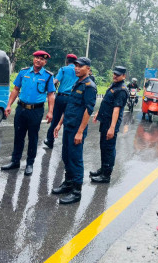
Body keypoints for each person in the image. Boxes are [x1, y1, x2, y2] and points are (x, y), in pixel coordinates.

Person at [1, 51, 55, 176]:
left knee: (33, 137)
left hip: (36, 111)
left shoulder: (48, 76)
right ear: (33, 58)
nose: (38, 60)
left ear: (45, 62)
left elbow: (51, 95)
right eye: (36, 57)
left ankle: (30, 163)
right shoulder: (23, 72)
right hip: (21, 109)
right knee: (18, 135)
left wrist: (51, 111)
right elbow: (15, 89)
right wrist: (9, 105)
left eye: (42, 59)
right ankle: (15, 161)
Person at [52, 57, 97, 204]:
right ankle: (68, 183)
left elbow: (88, 110)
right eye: (76, 66)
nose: (77, 68)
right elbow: (70, 105)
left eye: (80, 66)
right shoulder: (76, 83)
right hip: (68, 125)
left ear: (88, 69)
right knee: (66, 156)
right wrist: (59, 123)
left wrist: (80, 132)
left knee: (75, 159)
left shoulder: (89, 86)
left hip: (77, 129)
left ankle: (77, 192)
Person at [89, 66, 129, 183]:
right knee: (103, 146)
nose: (115, 76)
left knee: (109, 148)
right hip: (105, 120)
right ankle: (103, 169)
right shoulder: (114, 85)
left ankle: (106, 175)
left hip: (111, 124)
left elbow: (116, 110)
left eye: (118, 75)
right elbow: (107, 102)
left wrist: (112, 128)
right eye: (114, 74)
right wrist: (98, 113)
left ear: (124, 76)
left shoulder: (121, 90)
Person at [44, 53, 78, 149]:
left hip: (61, 98)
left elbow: (56, 81)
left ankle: (50, 140)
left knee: (55, 119)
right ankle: (67, 144)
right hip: (72, 99)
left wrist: (48, 88)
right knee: (68, 121)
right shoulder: (77, 70)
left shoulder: (63, 69)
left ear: (67, 61)